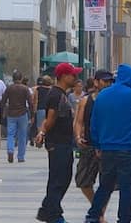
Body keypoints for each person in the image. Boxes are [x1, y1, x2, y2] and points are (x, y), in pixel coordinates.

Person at [85, 65, 131, 223]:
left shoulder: (102, 95)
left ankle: (93, 215)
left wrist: (97, 145)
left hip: (107, 148)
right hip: (127, 149)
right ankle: (124, 218)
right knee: (126, 187)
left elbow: (94, 123)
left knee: (105, 185)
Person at [34, 63, 82, 223]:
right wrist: (42, 132)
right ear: (63, 76)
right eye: (73, 75)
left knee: (64, 177)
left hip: (63, 142)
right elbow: (51, 118)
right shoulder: (55, 95)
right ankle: (53, 214)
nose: (76, 78)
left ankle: (47, 210)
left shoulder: (61, 94)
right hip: (58, 143)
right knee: (59, 179)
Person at [74, 72, 113, 221]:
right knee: (83, 181)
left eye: (110, 82)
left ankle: (99, 214)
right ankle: (98, 210)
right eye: (105, 81)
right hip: (89, 145)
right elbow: (79, 121)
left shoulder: (112, 100)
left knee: (107, 183)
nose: (108, 84)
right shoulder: (86, 100)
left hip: (108, 147)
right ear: (96, 82)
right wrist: (77, 136)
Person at [1, 70, 35, 163]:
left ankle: (10, 150)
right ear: (21, 78)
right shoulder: (25, 89)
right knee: (22, 136)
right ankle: (20, 156)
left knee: (10, 134)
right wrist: (32, 115)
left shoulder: (9, 88)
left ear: (13, 78)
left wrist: (2, 113)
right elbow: (30, 103)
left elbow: (3, 101)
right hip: (22, 113)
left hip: (11, 114)